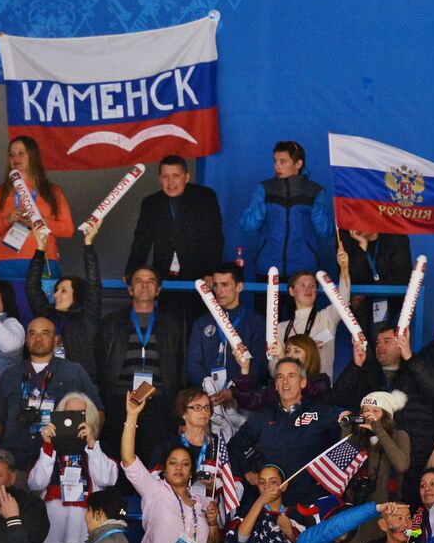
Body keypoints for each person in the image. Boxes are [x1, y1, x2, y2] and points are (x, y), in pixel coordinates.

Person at [121, 391, 218, 543]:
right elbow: (128, 459)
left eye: (185, 464)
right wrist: (132, 416)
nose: (179, 468)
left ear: (192, 472)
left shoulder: (201, 502)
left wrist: (212, 523)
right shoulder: (154, 490)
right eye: (173, 462)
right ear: (163, 468)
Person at [0, 317, 101, 476]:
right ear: (26, 340)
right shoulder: (10, 374)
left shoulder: (74, 372)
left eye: (45, 333)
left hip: (58, 462)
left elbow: (98, 413)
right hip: (14, 463)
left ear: (56, 340)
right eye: (33, 334)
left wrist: (89, 446)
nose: (38, 338)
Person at [94, 264, 186, 459]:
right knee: (121, 456)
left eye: (151, 281)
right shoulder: (111, 323)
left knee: (155, 459)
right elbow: (100, 365)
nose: (145, 285)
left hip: (160, 403)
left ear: (158, 290)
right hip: (121, 402)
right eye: (139, 281)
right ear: (130, 289)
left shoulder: (172, 323)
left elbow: (180, 367)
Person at [332, 323, 434, 483]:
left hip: (414, 459)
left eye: (387, 341)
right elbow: (338, 397)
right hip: (372, 460)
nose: (380, 346)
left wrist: (409, 357)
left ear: (402, 343)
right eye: (377, 342)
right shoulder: (368, 373)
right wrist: (356, 365)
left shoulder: (415, 369)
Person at [228, 357, 344, 506]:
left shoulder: (321, 412)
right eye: (280, 377)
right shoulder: (263, 416)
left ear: (303, 382)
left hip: (312, 503)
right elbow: (234, 446)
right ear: (276, 384)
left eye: (291, 376)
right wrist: (247, 472)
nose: (285, 382)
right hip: (272, 503)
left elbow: (341, 445)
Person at [28, 392, 119, 543]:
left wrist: (92, 444)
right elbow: (36, 483)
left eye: (79, 414)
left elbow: (107, 479)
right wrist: (48, 446)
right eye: (68, 413)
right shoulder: (49, 447)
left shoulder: (99, 447)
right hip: (51, 533)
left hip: (84, 534)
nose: (73, 418)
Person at [185, 264, 268, 432]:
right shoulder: (202, 323)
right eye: (216, 285)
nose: (219, 291)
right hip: (209, 400)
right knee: (211, 450)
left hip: (242, 400)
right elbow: (193, 363)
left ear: (239, 286)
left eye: (225, 284)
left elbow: (258, 365)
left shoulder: (256, 323)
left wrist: (234, 391)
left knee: (243, 449)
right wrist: (210, 391)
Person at [126, 154, 225, 292]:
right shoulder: (151, 203)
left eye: (175, 176)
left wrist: (211, 271)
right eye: (165, 177)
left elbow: (214, 237)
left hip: (201, 276)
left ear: (187, 177)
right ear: (159, 179)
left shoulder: (205, 197)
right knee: (166, 313)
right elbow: (141, 241)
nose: (170, 182)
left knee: (198, 313)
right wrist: (131, 271)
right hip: (164, 276)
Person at [0, 136, 74, 280]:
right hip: (5, 263)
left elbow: (68, 230)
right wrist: (8, 220)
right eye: (11, 154)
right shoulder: (0, 192)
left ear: (33, 156)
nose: (15, 158)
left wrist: (43, 222)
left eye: (21, 153)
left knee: (40, 302)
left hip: (43, 259)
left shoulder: (53, 192)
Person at [240, 140, 335, 280]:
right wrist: (262, 206)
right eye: (275, 161)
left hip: (304, 270)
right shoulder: (265, 188)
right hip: (268, 268)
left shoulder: (315, 191)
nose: (277, 166)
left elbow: (327, 232)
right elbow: (248, 226)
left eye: (283, 161)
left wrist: (315, 210)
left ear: (298, 164)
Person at [26, 220, 102, 374]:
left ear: (77, 295)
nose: (56, 294)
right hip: (46, 382)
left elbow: (94, 284)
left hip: (77, 384)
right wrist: (40, 249)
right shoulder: (47, 316)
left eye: (64, 291)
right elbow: (31, 287)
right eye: (56, 290)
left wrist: (88, 245)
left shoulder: (87, 317)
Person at [279, 267, 350, 380]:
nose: (308, 289)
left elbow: (343, 301)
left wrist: (344, 269)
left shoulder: (327, 318)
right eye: (302, 285)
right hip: (290, 389)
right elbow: (273, 369)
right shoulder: (281, 328)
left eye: (312, 286)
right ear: (291, 291)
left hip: (321, 390)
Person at [339, 228, 414, 330]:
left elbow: (402, 279)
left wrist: (368, 294)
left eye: (361, 219)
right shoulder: (350, 240)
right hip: (362, 302)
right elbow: (353, 279)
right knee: (359, 328)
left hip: (389, 298)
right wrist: (362, 246)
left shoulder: (396, 238)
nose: (356, 225)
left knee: (377, 329)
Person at [352, 390, 411, 504]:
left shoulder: (399, 435)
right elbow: (343, 469)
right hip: (359, 506)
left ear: (387, 415)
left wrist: (378, 430)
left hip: (388, 506)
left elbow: (402, 466)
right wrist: (345, 430)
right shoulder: (358, 438)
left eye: (376, 411)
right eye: (366, 411)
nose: (370, 415)